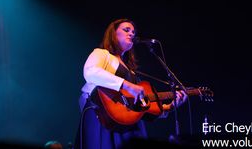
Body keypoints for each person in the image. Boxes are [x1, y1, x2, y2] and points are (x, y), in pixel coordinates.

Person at [73, 18, 188, 149]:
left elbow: (141, 108)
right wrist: (128, 86)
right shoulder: (102, 54)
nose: (132, 34)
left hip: (128, 126)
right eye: (126, 30)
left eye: (133, 32)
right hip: (103, 117)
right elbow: (90, 72)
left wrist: (170, 107)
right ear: (113, 33)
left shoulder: (131, 71)